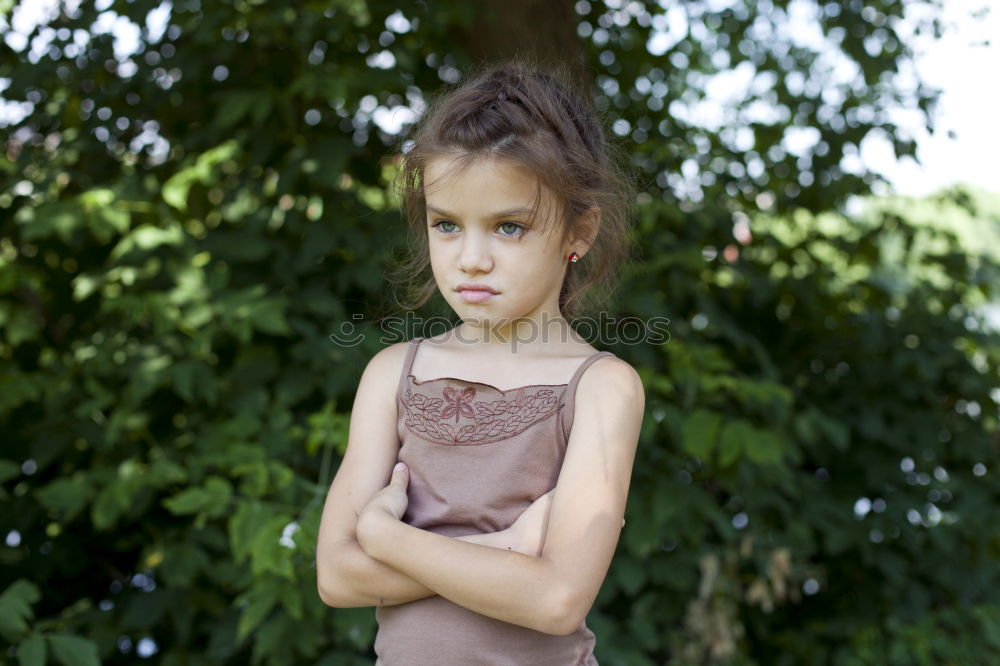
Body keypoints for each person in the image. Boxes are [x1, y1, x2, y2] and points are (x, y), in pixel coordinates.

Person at [315, 58, 645, 665]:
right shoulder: (394, 373)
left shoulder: (601, 388)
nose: (470, 259)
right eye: (446, 225)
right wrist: (506, 548)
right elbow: (337, 577)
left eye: (509, 228)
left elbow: (556, 601)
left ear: (581, 230)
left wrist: (384, 536)